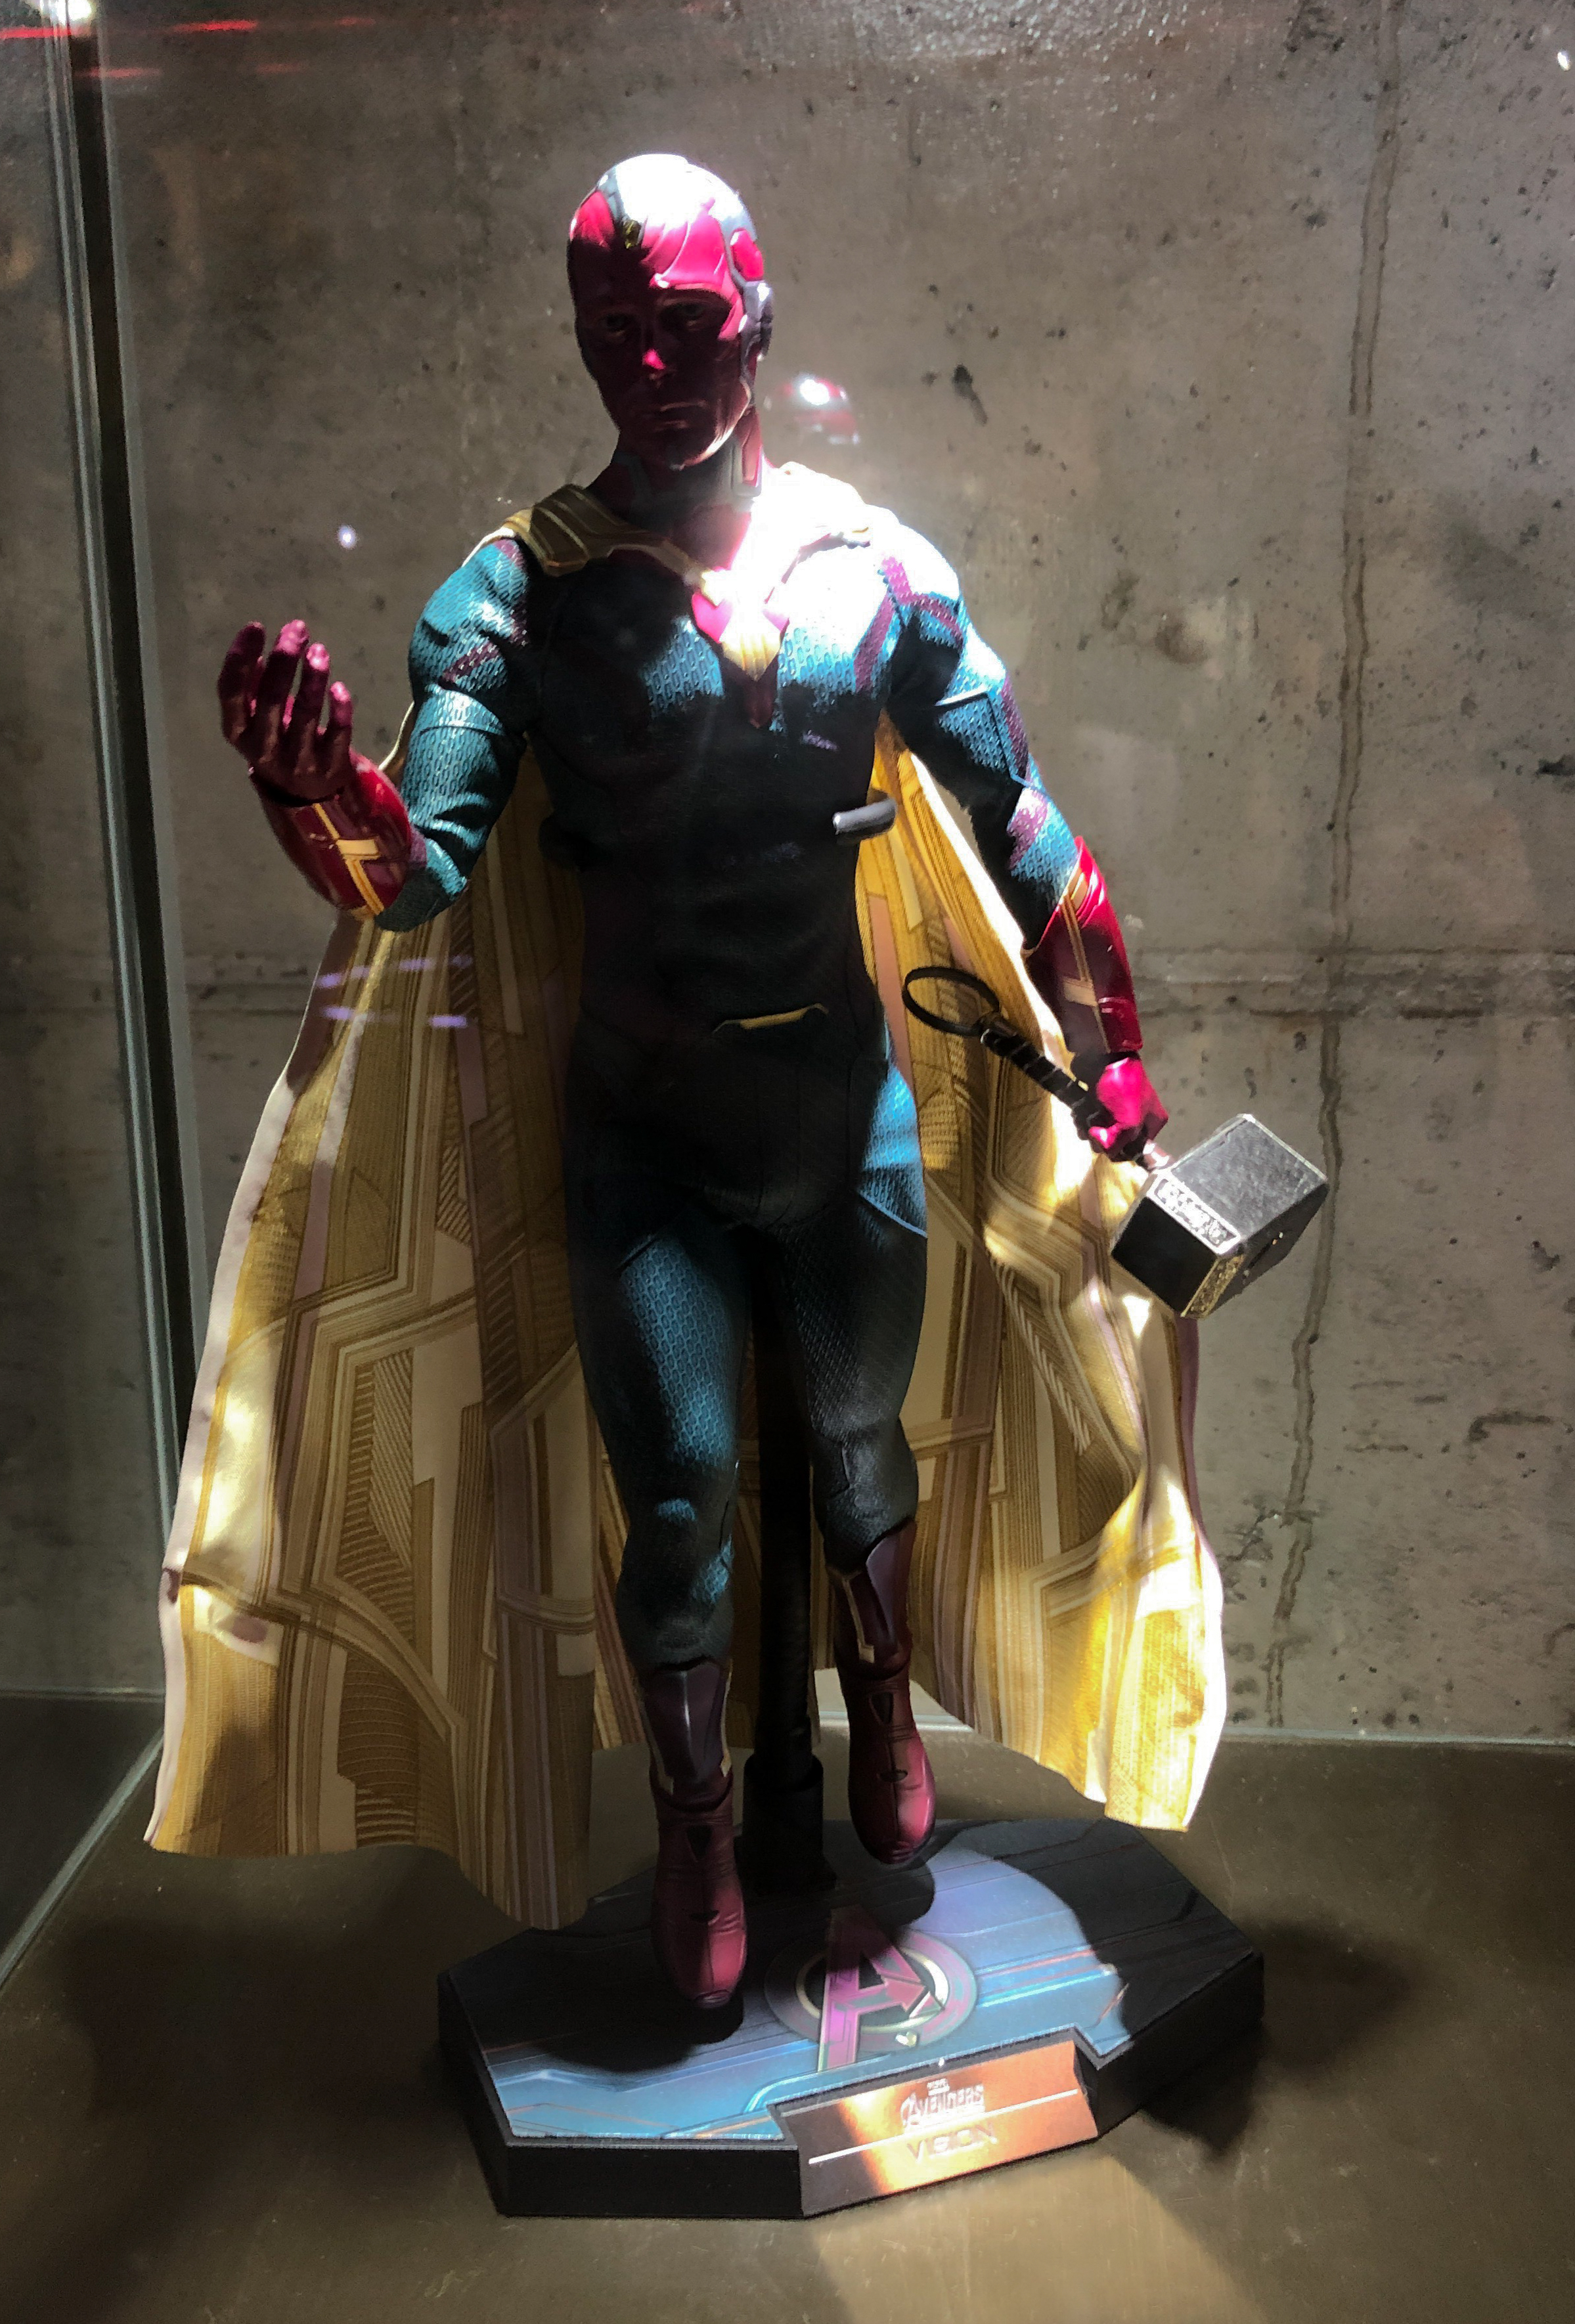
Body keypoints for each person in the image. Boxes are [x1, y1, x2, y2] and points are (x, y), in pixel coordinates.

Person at [213, 154, 1167, 2009]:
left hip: (840, 1107)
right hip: (641, 1132)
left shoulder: (876, 571)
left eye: (688, 325)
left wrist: (1113, 1047)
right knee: (675, 1501)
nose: (653, 369)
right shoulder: (521, 594)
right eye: (614, 333)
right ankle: (701, 1827)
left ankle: (881, 1698)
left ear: (759, 317)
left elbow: (1025, 819)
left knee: (864, 1446)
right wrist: (313, 787)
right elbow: (413, 875)